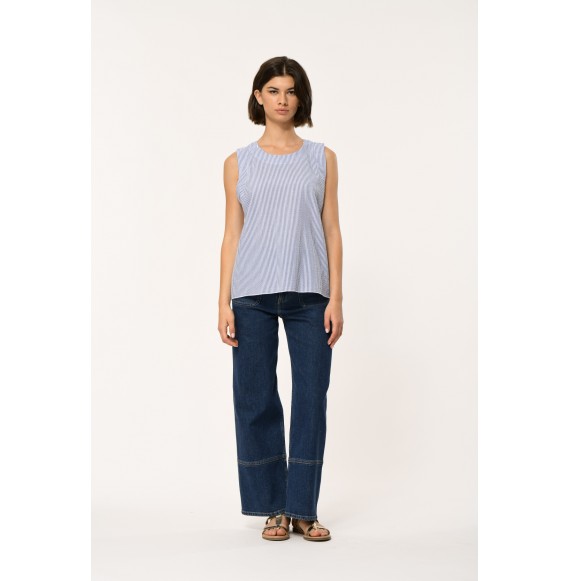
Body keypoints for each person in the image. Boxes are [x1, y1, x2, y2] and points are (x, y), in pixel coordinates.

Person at [218, 56, 344, 542]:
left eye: (291, 91)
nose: (283, 99)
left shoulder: (322, 158)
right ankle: (273, 508)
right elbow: (232, 234)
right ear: (258, 96)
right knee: (255, 399)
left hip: (311, 292)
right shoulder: (237, 163)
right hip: (250, 294)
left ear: (301, 97)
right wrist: (223, 301)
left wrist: (336, 297)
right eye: (273, 90)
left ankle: (303, 509)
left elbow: (331, 229)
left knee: (311, 398)